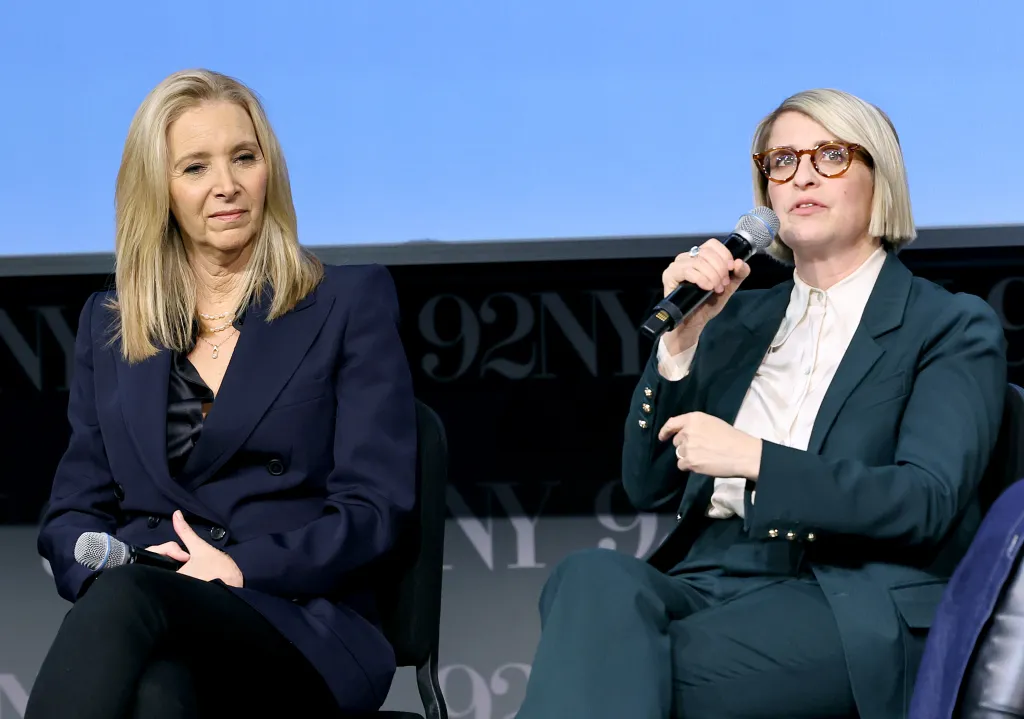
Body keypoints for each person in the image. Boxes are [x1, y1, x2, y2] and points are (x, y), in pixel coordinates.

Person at [514, 88, 1008, 719]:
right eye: (781, 161)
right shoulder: (734, 318)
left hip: (843, 589)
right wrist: (679, 347)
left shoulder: (946, 324)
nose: (802, 174)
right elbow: (647, 485)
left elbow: (925, 500)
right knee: (590, 577)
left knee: (612, 673)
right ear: (766, 194)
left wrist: (758, 460)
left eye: (829, 155)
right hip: (710, 572)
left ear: (878, 178)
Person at [25, 69, 416, 718]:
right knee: (158, 693)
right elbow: (72, 512)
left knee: (128, 598)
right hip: (164, 617)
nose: (226, 186)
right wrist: (104, 559)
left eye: (244, 158)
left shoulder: (348, 302)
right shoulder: (110, 327)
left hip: (297, 619)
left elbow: (376, 507)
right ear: (160, 192)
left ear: (271, 170)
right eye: (195, 168)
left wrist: (240, 566)